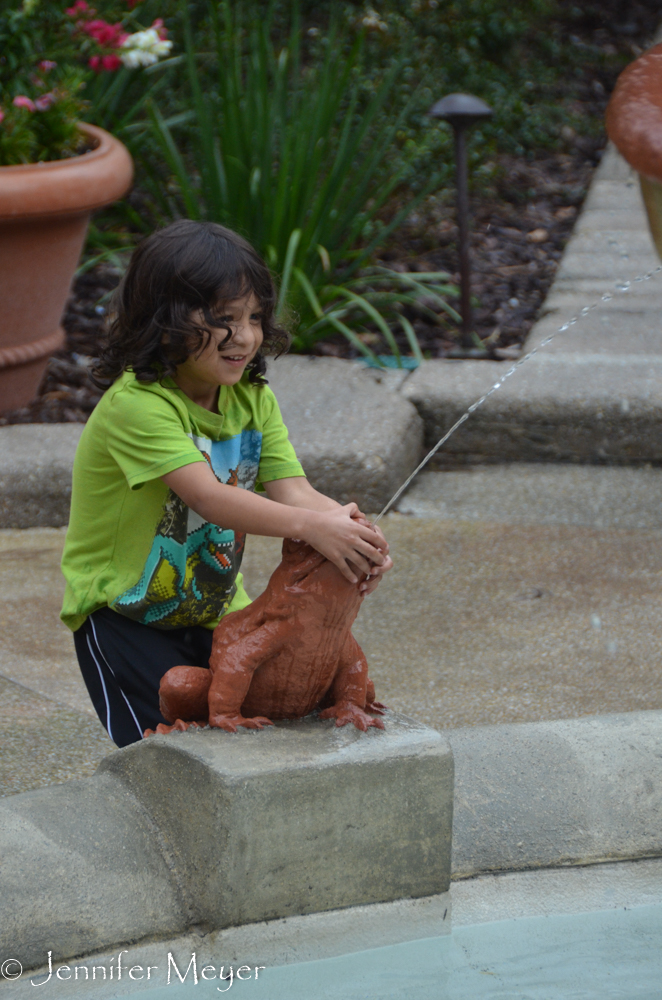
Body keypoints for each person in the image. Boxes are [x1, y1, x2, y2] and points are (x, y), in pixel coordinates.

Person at [60, 220, 392, 747]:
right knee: (164, 757)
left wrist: (351, 533)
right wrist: (315, 526)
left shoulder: (252, 398)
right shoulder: (137, 406)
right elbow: (209, 497)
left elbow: (294, 490)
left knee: (246, 742)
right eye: (225, 320)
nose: (246, 336)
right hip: (127, 618)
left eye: (255, 317)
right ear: (162, 320)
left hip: (219, 610)